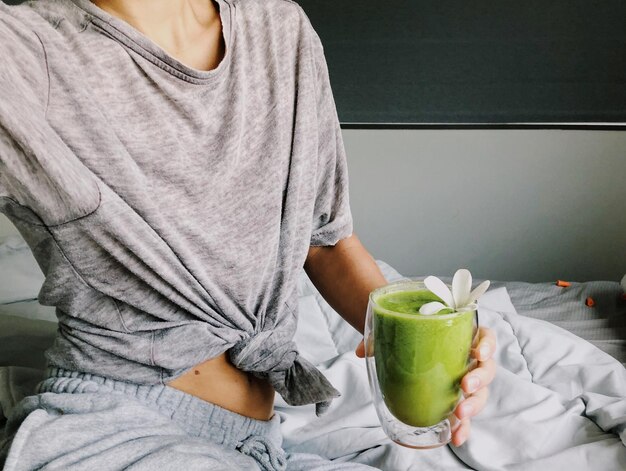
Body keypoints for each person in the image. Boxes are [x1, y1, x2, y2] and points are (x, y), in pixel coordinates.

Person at [0, 0, 496, 469]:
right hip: (112, 427)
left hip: (259, 440)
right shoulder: (26, 51)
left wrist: (426, 336)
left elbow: (324, 243)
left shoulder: (282, 33)